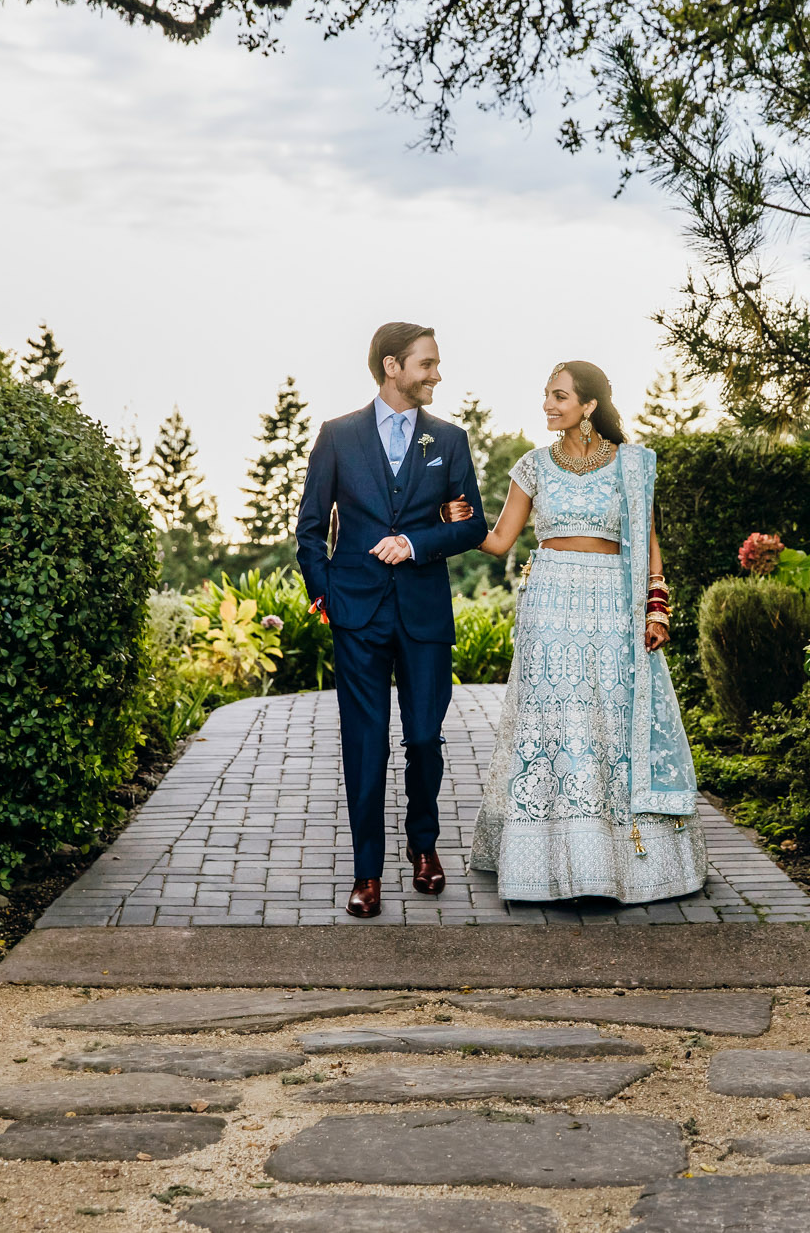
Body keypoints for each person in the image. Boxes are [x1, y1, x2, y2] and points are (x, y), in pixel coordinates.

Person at [441, 361, 708, 902]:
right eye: (545, 394)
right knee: (553, 724)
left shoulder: (633, 465)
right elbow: (498, 542)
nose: (547, 404)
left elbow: (649, 542)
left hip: (614, 602)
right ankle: (547, 859)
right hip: (550, 607)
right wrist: (456, 521)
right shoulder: (534, 466)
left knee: (609, 720)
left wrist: (658, 608)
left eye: (559, 395)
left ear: (588, 406)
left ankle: (624, 863)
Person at [295, 323, 489, 918]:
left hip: (424, 614)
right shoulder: (337, 436)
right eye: (426, 364)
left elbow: (469, 525)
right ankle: (367, 872)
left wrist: (414, 542)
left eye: (435, 365)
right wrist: (328, 596)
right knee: (366, 744)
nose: (436, 375)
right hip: (357, 614)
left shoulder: (449, 441)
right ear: (391, 367)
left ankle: (423, 846)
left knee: (425, 738)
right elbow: (308, 529)